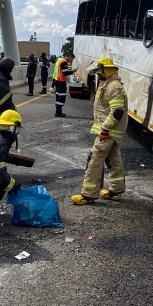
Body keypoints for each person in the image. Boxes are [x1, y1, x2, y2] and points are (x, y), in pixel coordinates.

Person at [72, 57, 128, 205]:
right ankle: (116, 191)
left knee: (94, 159)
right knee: (114, 160)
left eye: (99, 71)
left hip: (108, 131)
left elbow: (117, 111)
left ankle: (88, 194)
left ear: (106, 70)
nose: (97, 74)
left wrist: (105, 128)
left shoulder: (113, 86)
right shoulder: (108, 84)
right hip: (111, 131)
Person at [52, 52, 76, 118]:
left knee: (58, 97)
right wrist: (73, 71)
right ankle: (58, 112)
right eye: (72, 59)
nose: (72, 61)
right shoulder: (64, 62)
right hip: (61, 82)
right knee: (61, 97)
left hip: (57, 80)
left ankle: (58, 111)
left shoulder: (59, 59)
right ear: (70, 56)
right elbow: (65, 72)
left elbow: (56, 72)